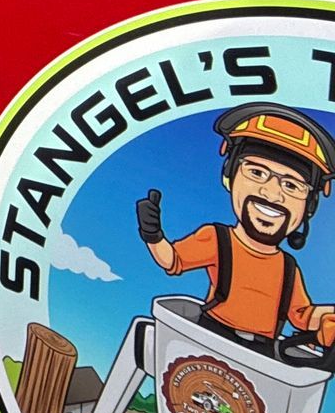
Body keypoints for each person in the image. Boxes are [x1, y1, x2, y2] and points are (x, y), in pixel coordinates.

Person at [137, 104, 335, 354]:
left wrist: (327, 323)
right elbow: (172, 260)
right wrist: (152, 233)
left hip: (261, 357)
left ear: (309, 205)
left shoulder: (288, 269)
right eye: (257, 172)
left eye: (292, 186)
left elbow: (302, 317)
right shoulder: (216, 239)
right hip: (209, 339)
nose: (272, 194)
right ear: (229, 176)